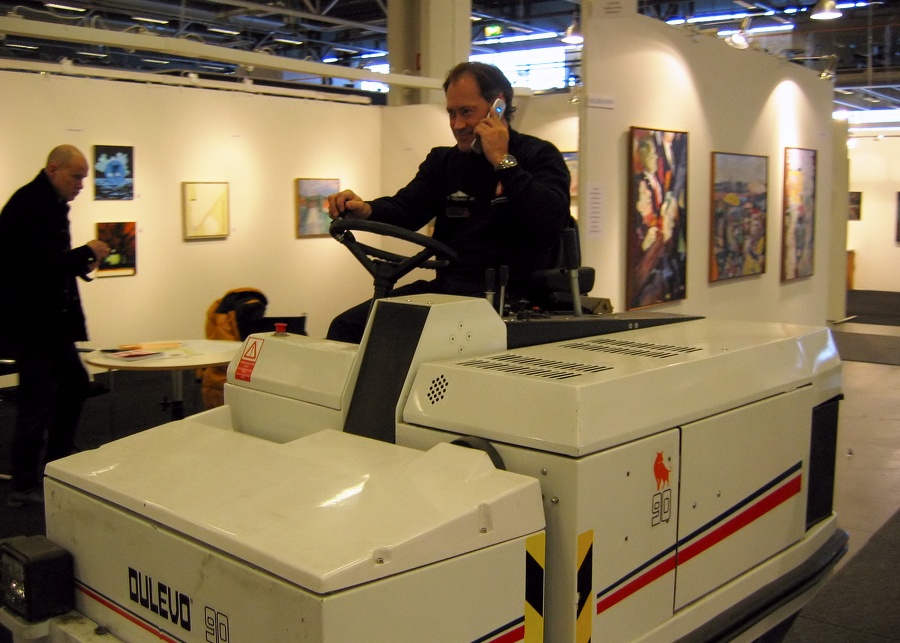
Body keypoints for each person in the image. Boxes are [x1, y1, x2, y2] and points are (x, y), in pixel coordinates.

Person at [325, 61, 571, 343]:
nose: (457, 125)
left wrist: (502, 161)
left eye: (466, 112)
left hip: (511, 297)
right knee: (347, 327)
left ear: (498, 106)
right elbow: (406, 209)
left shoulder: (538, 156)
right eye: (451, 113)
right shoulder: (444, 162)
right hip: (448, 291)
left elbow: (550, 221)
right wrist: (366, 209)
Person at [0, 144, 110, 507]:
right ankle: (24, 484)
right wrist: (87, 253)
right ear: (53, 170)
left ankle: (58, 462)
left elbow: (48, 264)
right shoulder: (30, 205)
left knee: (73, 385)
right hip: (33, 325)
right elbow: (36, 268)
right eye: (76, 177)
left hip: (50, 323)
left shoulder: (47, 203)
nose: (81, 185)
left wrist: (80, 262)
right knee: (36, 401)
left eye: (83, 178)